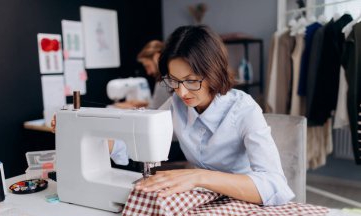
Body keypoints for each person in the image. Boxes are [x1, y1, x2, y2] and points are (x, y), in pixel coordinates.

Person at [114, 25, 295, 206]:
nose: (182, 92)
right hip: (202, 198)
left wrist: (200, 176)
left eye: (191, 81)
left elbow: (274, 184)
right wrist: (109, 143)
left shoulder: (244, 110)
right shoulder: (176, 105)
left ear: (213, 72)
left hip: (243, 200)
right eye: (174, 81)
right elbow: (141, 137)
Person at [114, 40, 172, 109]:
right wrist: (144, 103)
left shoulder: (163, 81)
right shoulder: (169, 77)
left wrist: (128, 107)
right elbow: (162, 103)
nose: (148, 72)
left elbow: (152, 110)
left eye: (147, 66)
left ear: (157, 57)